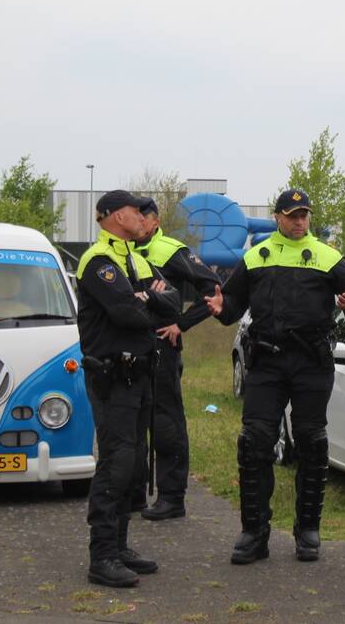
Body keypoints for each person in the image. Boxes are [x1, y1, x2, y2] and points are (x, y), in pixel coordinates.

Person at [204, 189, 345, 564]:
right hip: (267, 363)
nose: (299, 222)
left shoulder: (328, 257)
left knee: (311, 442)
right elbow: (231, 306)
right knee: (254, 442)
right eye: (292, 215)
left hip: (311, 363)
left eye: (304, 215)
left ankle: (307, 530)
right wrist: (219, 307)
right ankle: (254, 532)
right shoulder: (256, 256)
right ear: (277, 217)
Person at [76, 190, 181, 587]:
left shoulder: (134, 258)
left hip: (140, 375)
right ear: (118, 216)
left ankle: (119, 547)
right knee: (116, 464)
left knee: (135, 464)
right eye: (138, 211)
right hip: (112, 377)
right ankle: (101, 555)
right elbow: (125, 313)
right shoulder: (98, 261)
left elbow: (173, 301)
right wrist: (146, 301)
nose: (144, 216)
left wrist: (147, 299)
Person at [129, 199, 221, 521]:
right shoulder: (121, 251)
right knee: (132, 423)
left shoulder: (170, 250)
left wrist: (182, 323)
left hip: (160, 349)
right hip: (128, 349)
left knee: (165, 422)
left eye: (140, 219)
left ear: (153, 222)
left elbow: (212, 289)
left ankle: (171, 496)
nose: (134, 224)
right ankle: (134, 493)